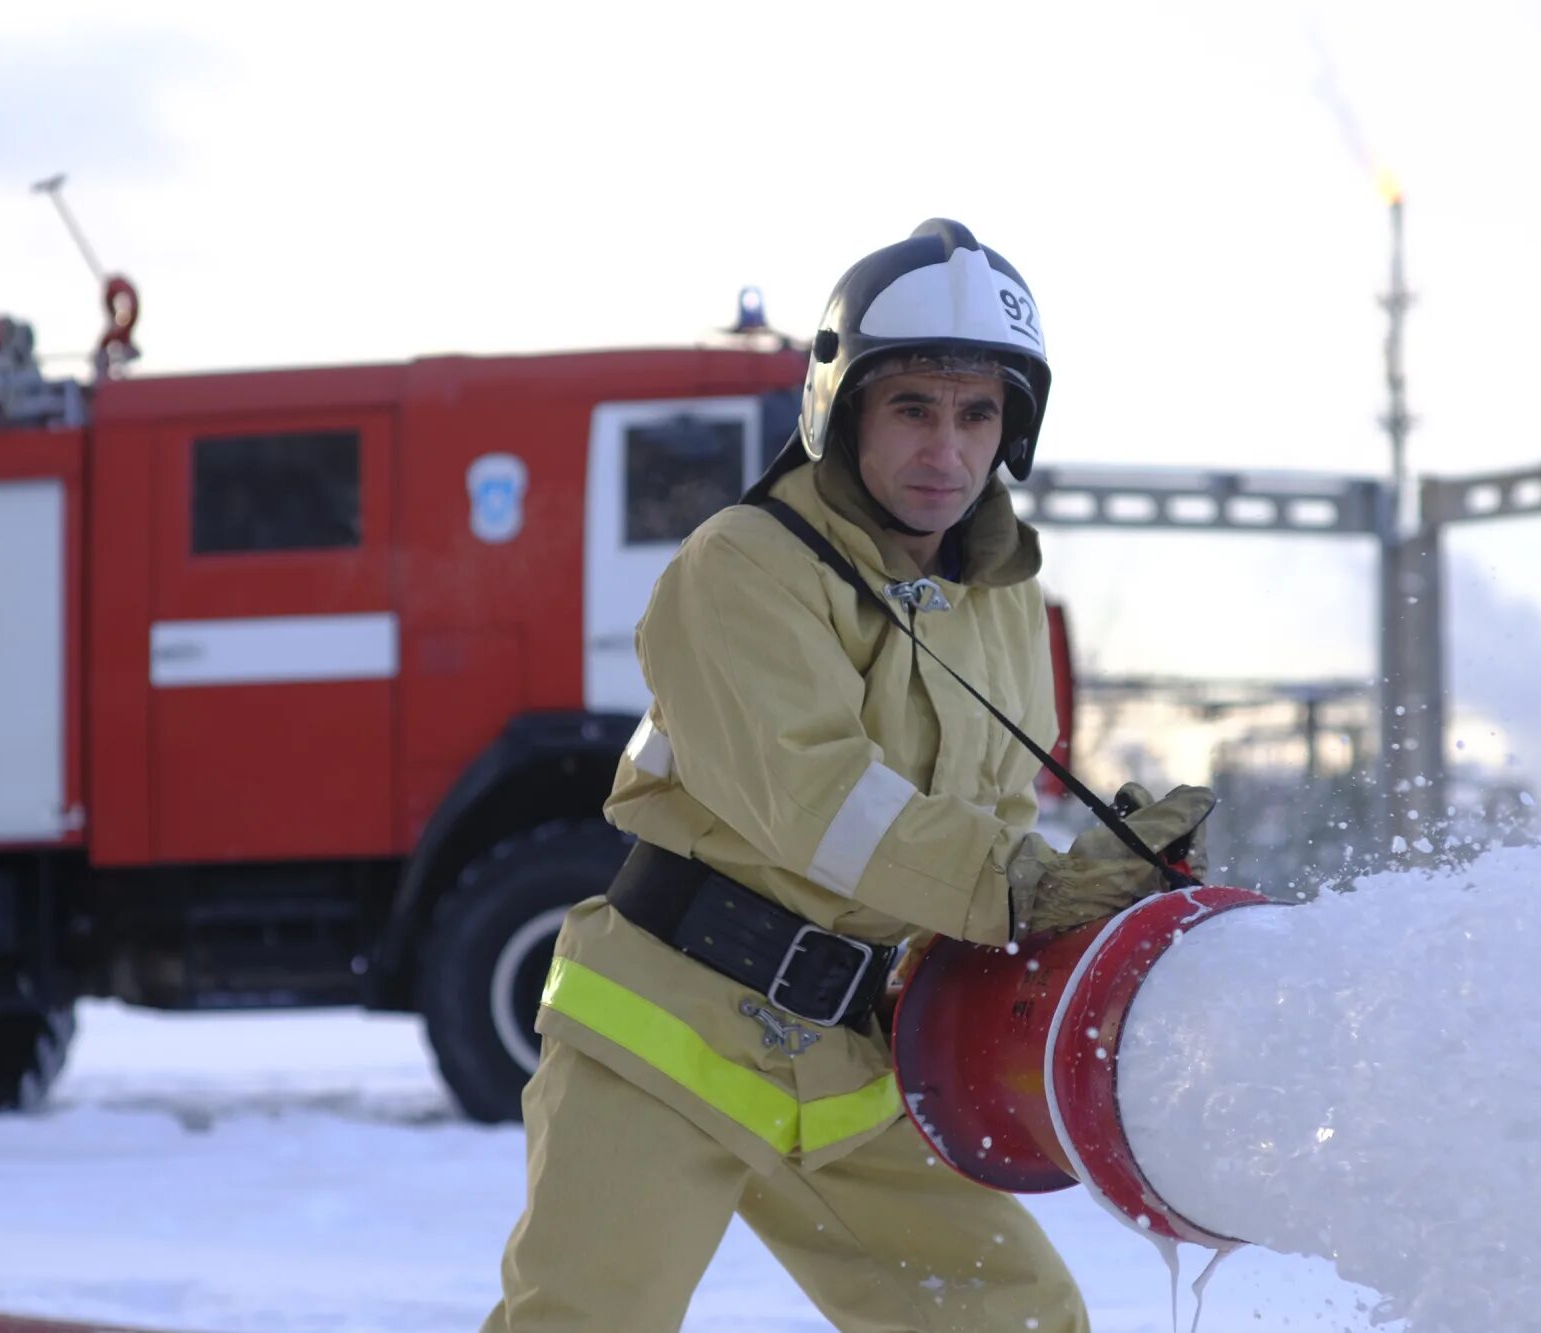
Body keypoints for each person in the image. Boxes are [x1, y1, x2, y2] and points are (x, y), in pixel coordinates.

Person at [482, 219, 1215, 1333]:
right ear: (841, 406)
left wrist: (1108, 905)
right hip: (664, 1028)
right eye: (913, 406)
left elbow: (993, 815)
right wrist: (1027, 885)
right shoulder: (738, 566)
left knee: (1016, 1321)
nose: (947, 449)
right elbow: (815, 800)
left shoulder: (1002, 595)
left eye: (979, 414)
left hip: (851, 1060)